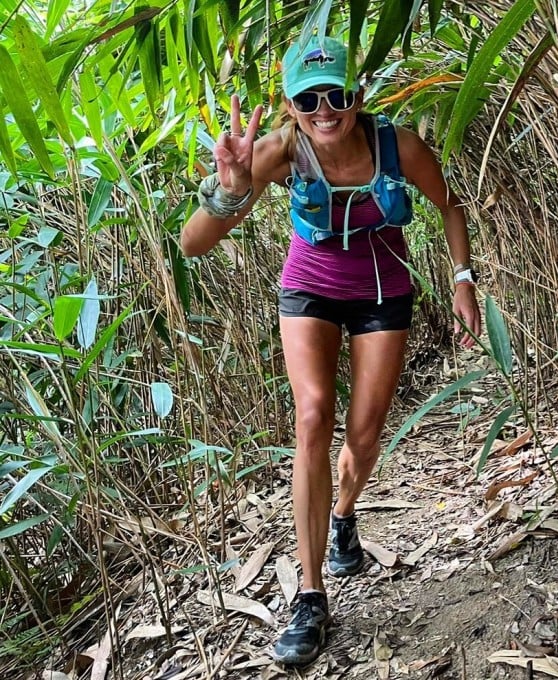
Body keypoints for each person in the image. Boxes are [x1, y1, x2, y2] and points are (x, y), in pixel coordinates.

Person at [180, 35, 481, 666]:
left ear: (358, 94)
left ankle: (343, 513)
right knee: (312, 415)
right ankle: (310, 596)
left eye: (336, 93)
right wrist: (231, 187)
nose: (324, 108)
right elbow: (193, 244)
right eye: (307, 97)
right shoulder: (279, 151)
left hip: (382, 288)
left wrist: (462, 280)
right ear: (290, 105)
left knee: (365, 433)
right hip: (310, 285)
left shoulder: (397, 146)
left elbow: (451, 206)